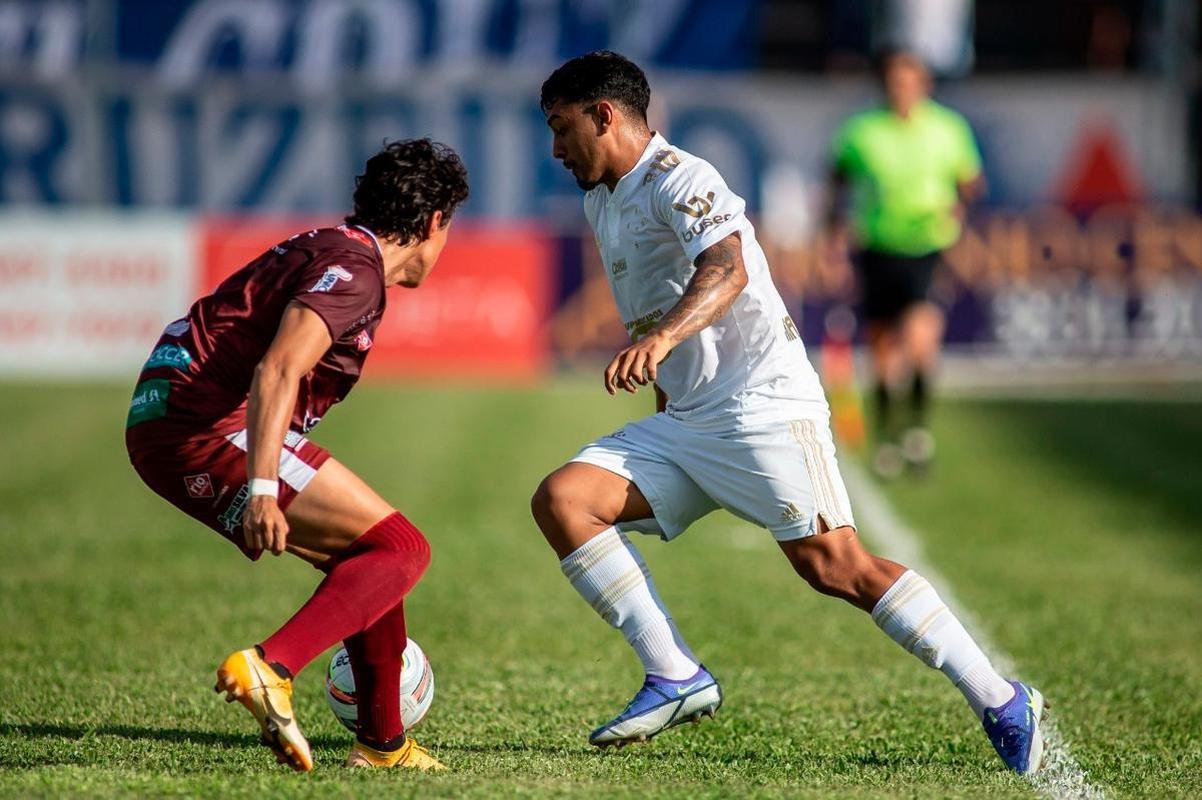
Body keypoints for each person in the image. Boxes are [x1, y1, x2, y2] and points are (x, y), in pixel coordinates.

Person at [531, 51, 1044, 773]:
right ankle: (674, 674)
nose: (556, 149)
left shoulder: (682, 178)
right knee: (564, 500)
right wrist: (666, 385)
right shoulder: (603, 199)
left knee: (835, 567)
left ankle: (1002, 698)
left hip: (762, 407)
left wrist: (662, 341)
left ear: (604, 115)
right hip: (688, 421)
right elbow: (658, 307)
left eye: (561, 128)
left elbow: (727, 268)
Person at [125, 139, 468, 772]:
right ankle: (271, 666)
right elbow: (278, 368)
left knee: (370, 555)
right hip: (204, 425)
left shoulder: (332, 247)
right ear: (433, 222)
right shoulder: (356, 273)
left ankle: (383, 746)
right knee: (404, 548)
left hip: (169, 419)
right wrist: (262, 490)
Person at [826, 47, 984, 477]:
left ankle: (916, 430)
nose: (902, 89)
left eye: (910, 80)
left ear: (924, 84)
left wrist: (957, 207)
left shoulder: (948, 128)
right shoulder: (862, 131)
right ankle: (887, 436)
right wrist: (835, 234)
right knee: (882, 349)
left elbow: (970, 181)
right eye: (895, 81)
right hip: (878, 245)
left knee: (920, 339)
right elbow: (837, 179)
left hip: (928, 245)